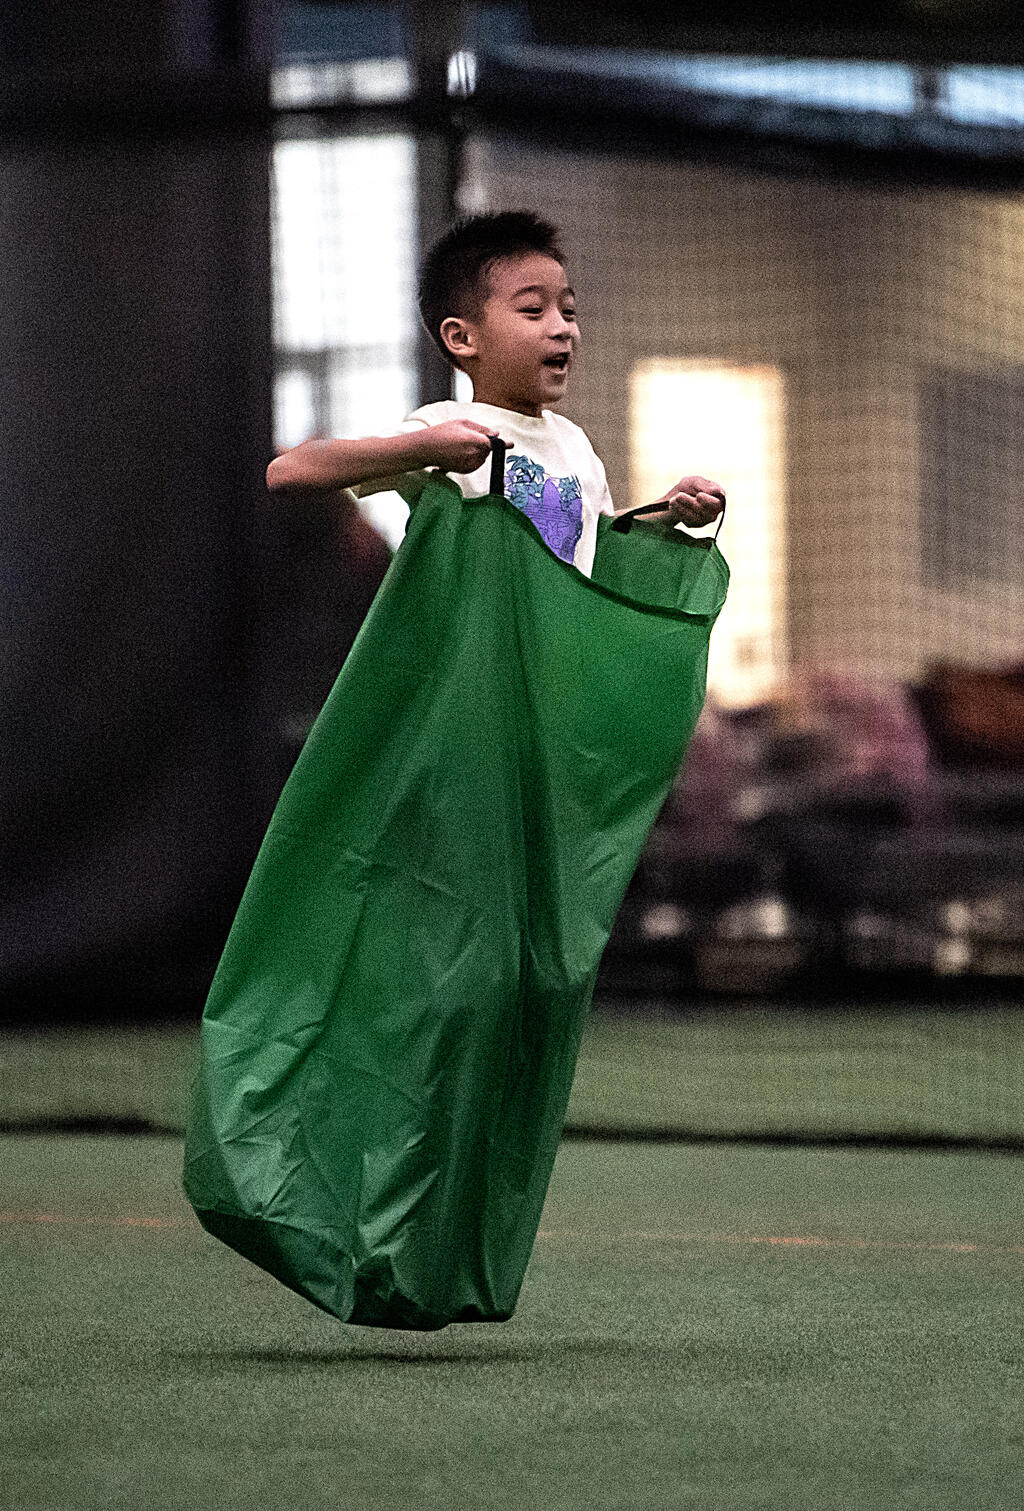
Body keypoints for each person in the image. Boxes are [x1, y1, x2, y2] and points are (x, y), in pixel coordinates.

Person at [266, 210, 724, 572]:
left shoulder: (575, 444)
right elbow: (287, 472)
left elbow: (597, 551)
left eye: (568, 311)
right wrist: (422, 448)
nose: (563, 329)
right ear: (462, 338)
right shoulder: (443, 426)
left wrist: (667, 511)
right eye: (533, 310)